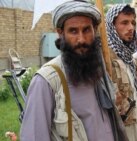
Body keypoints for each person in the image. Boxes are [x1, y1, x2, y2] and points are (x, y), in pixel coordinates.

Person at [20, 1, 128, 141]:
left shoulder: (98, 71)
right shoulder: (46, 81)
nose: (81, 39)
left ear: (95, 30)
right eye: (73, 31)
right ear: (60, 33)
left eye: (86, 30)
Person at [106, 4, 137, 141]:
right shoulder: (105, 59)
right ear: (112, 26)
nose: (131, 28)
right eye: (124, 23)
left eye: (133, 23)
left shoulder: (131, 59)